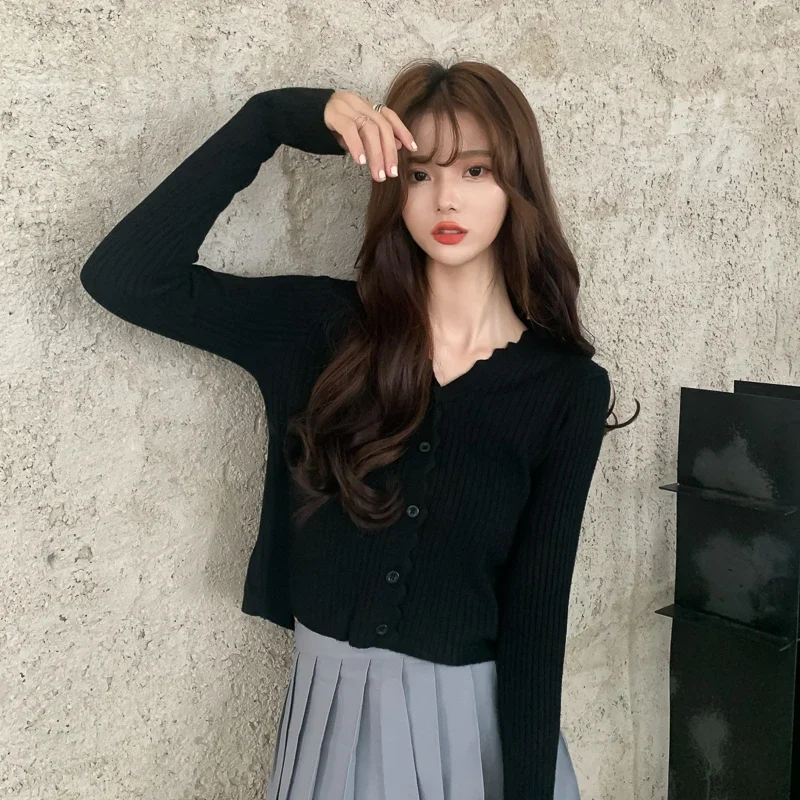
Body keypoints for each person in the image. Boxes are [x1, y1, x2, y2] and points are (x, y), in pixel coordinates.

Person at [80, 57, 638, 800]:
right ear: (390, 183)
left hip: (470, 733)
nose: (446, 197)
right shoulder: (321, 330)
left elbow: (538, 615)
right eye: (420, 173)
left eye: (476, 171)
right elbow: (125, 277)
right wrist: (276, 118)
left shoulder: (565, 388)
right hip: (328, 721)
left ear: (517, 185)